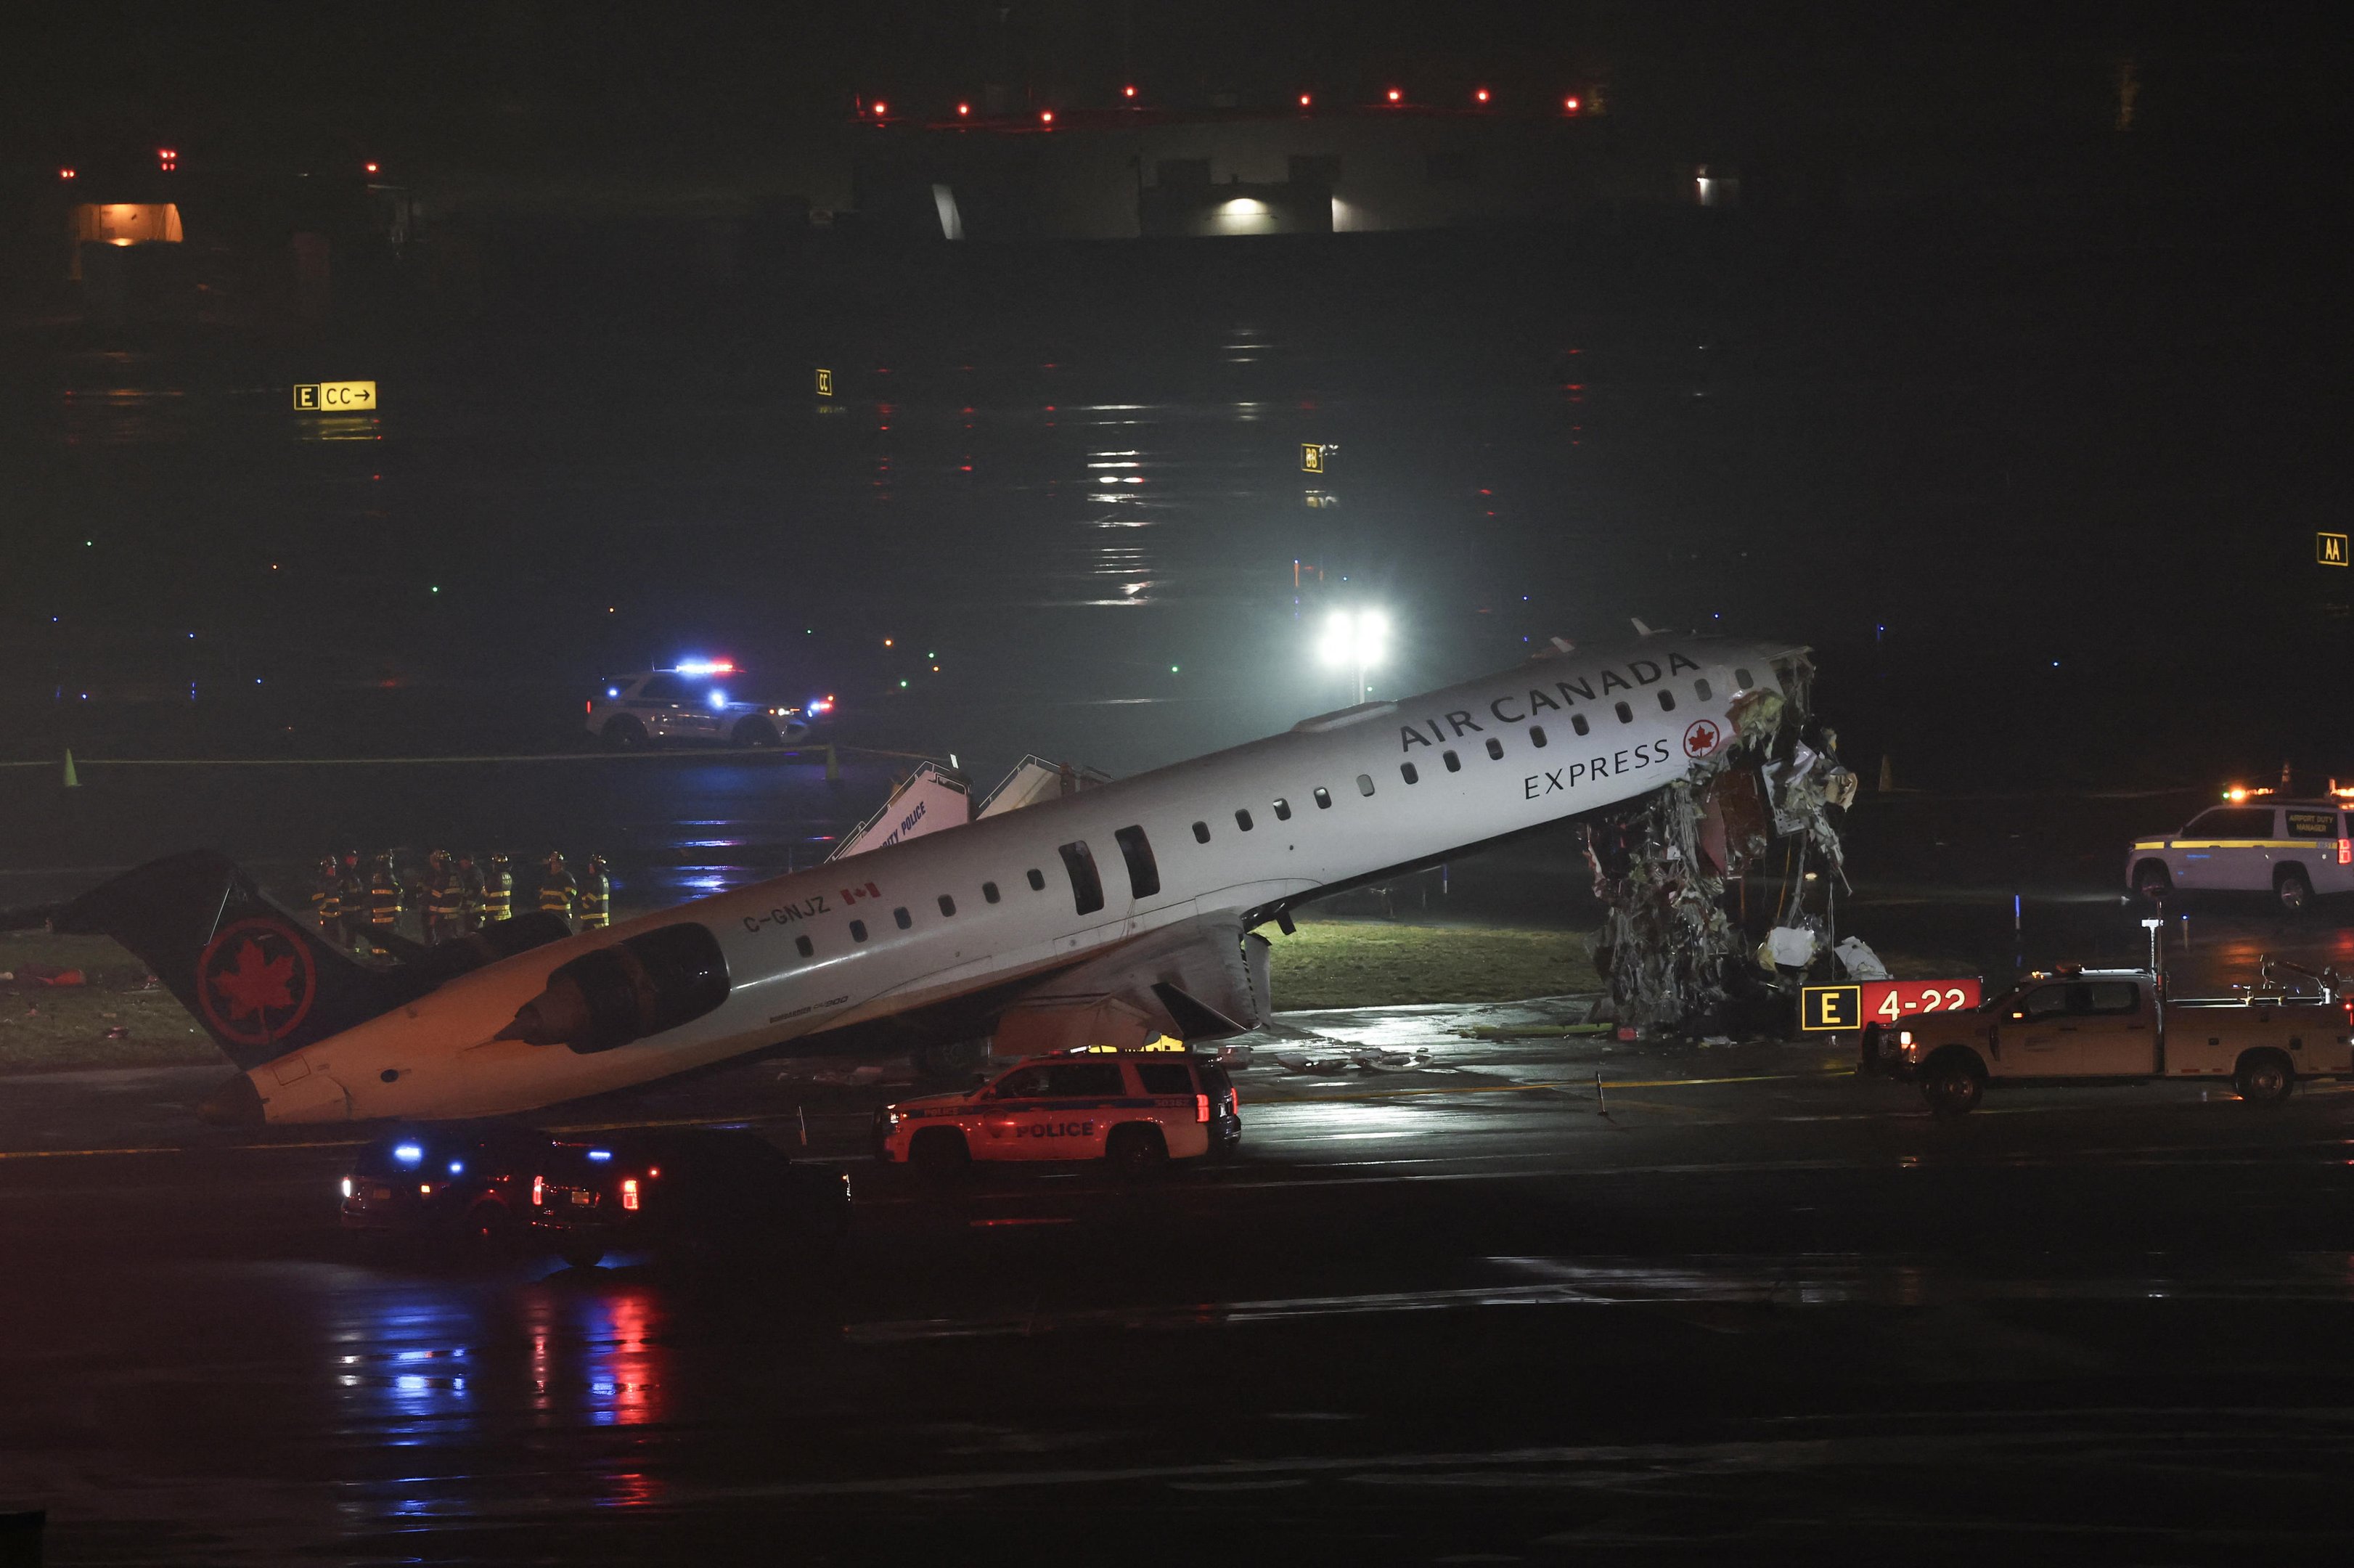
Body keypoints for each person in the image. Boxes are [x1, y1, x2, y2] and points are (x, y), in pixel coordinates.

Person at [423, 850, 465, 945]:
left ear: (440, 863)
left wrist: (433, 915)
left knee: (443, 942)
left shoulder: (443, 877)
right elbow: (462, 892)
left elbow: (436, 896)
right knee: (453, 939)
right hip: (454, 915)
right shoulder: (457, 876)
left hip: (442, 917)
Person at [367, 852, 405, 944]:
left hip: (377, 914)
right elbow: (399, 891)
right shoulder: (389, 876)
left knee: (378, 937)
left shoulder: (375, 877)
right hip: (390, 915)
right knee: (391, 939)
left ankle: (378, 954)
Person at [337, 851, 372, 953]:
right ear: (347, 859)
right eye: (353, 858)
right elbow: (340, 890)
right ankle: (349, 949)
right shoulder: (344, 873)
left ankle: (351, 947)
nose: (356, 860)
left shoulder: (353, 873)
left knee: (354, 930)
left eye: (356, 858)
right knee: (350, 929)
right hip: (348, 907)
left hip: (355, 907)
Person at [537, 851, 579, 927]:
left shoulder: (566, 876)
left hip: (562, 916)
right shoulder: (547, 877)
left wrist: (561, 900)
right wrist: (543, 905)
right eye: (553, 863)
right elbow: (542, 893)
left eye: (557, 863)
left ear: (561, 864)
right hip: (548, 915)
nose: (555, 865)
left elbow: (572, 892)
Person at [456, 850, 487, 934]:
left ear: (470, 862)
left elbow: (475, 889)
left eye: (464, 863)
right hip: (470, 910)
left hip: (476, 909)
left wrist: (470, 904)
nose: (462, 865)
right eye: (461, 863)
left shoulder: (475, 872)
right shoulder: (467, 872)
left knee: (475, 932)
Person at [311, 856, 343, 936]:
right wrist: (326, 909)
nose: (334, 869)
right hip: (327, 918)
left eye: (334, 867)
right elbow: (317, 899)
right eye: (331, 868)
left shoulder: (335, 881)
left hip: (336, 916)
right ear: (325, 869)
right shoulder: (322, 882)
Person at [579, 854, 613, 930]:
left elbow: (590, 901)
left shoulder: (597, 881)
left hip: (594, 921)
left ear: (596, 867)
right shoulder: (603, 879)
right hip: (598, 920)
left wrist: (582, 903)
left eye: (591, 865)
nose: (590, 867)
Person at [481, 852, 513, 926]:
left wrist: (483, 890)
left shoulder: (494, 877)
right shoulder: (508, 876)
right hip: (506, 914)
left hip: (494, 916)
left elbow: (487, 893)